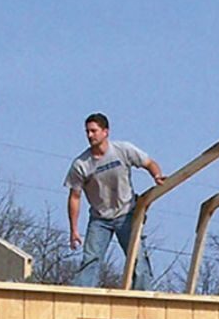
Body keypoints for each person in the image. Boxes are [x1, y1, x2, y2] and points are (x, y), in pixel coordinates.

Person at [64, 113, 165, 290]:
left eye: (94, 131)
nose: (90, 135)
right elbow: (74, 197)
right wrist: (74, 230)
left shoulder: (123, 150)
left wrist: (156, 176)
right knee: (91, 260)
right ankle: (81, 298)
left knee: (138, 259)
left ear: (105, 132)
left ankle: (143, 301)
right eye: (87, 132)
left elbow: (149, 163)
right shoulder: (81, 164)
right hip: (100, 219)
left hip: (127, 214)